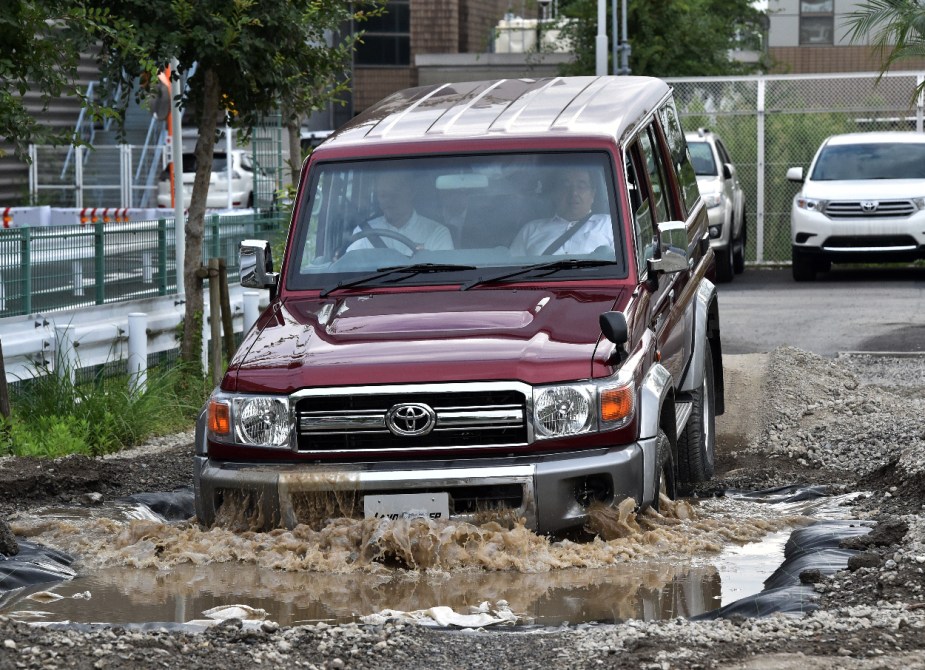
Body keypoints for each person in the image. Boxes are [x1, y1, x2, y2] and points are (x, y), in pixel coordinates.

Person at [509, 167, 613, 256]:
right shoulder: (531, 229)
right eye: (566, 186)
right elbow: (511, 268)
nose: (574, 193)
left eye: (581, 186)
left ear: (593, 194)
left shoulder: (609, 225)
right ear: (555, 193)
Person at [347, 171, 453, 253]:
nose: (388, 201)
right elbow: (350, 271)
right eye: (383, 195)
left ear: (411, 193)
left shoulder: (436, 233)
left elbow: (446, 275)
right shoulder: (363, 233)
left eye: (395, 195)